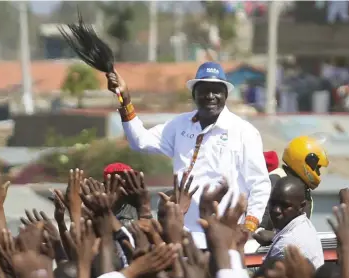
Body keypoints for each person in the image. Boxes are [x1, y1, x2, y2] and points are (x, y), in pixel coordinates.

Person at [107, 62, 271, 249]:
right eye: (204, 90)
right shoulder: (180, 125)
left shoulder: (243, 132)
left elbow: (259, 184)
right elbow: (140, 141)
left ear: (225, 94)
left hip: (226, 238)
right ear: (194, 94)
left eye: (216, 90)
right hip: (185, 237)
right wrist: (124, 99)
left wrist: (249, 225)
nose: (210, 96)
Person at [255, 135, 330, 246]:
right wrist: (275, 235)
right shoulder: (274, 182)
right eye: (317, 168)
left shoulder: (304, 192)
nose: (318, 173)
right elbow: (258, 230)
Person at [264, 176, 324, 269]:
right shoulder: (303, 226)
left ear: (302, 206)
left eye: (285, 205)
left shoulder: (287, 245)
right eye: (273, 203)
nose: (276, 210)